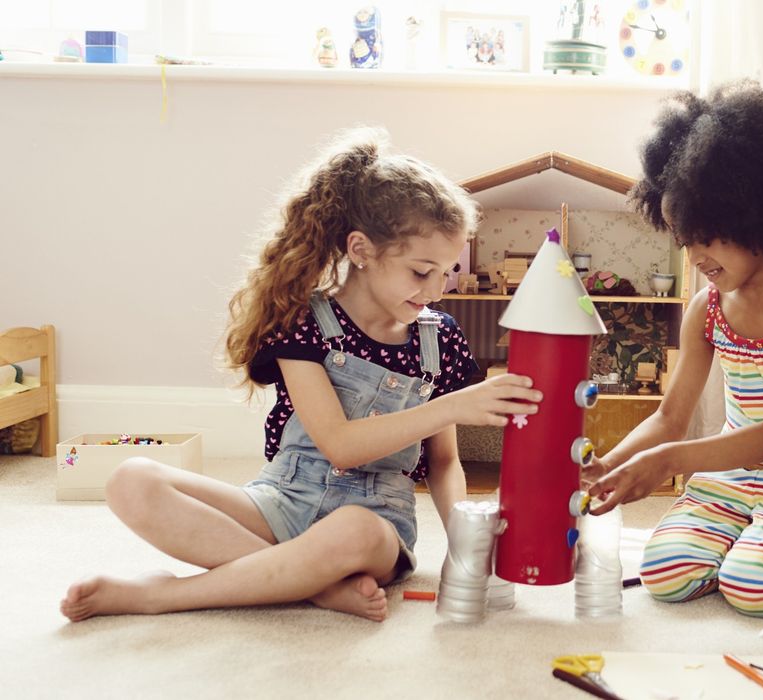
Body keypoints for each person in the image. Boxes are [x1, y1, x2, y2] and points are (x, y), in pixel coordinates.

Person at [61, 127, 541, 622]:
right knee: (131, 480)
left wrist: (463, 550)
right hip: (282, 499)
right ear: (361, 250)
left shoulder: (437, 338)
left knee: (352, 530)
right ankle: (314, 585)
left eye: (447, 271)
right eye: (422, 272)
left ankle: (161, 595)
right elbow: (339, 444)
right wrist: (455, 404)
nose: (437, 290)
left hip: (375, 523)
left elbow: (442, 464)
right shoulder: (304, 323)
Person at [585, 81, 763, 618]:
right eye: (685, 239)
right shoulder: (708, 308)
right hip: (737, 477)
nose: (695, 256)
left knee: (755, 589)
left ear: (756, 215)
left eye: (709, 236)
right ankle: (752, 538)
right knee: (665, 576)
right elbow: (671, 417)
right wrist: (609, 466)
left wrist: (667, 462)